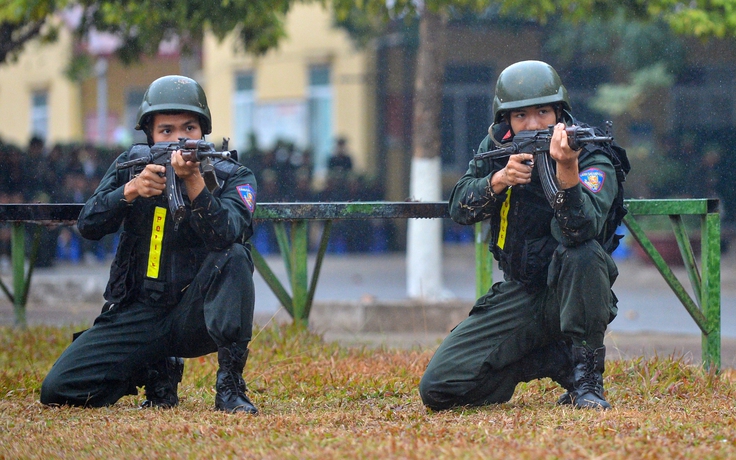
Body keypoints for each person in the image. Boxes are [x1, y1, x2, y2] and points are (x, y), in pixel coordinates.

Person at [40, 75, 259, 414]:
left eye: (189, 129)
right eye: (166, 131)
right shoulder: (133, 166)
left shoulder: (231, 175)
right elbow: (89, 224)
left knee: (235, 255)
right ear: (150, 135)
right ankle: (153, 367)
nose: (179, 139)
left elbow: (227, 233)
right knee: (59, 387)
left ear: (203, 132)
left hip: (197, 315)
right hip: (141, 311)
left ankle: (230, 386)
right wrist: (129, 192)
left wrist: (196, 184)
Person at [419, 60, 627, 411]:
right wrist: (498, 180)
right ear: (507, 122)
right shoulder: (498, 146)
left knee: (583, 253)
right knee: (439, 388)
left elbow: (581, 229)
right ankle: (547, 359)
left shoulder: (591, 155)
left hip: (573, 292)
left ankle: (588, 381)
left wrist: (567, 170)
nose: (532, 124)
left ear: (560, 112)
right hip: (522, 291)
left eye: (543, 112)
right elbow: (459, 208)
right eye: (520, 116)